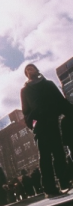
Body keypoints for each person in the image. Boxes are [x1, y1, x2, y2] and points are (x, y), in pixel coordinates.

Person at [21, 63, 72, 197]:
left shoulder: (48, 84)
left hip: (52, 122)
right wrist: (32, 122)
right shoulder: (25, 90)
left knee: (59, 153)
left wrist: (70, 112)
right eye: (27, 70)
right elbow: (25, 111)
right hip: (40, 125)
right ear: (26, 75)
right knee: (45, 155)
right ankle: (49, 188)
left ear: (36, 70)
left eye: (31, 68)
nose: (29, 70)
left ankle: (64, 182)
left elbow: (60, 101)